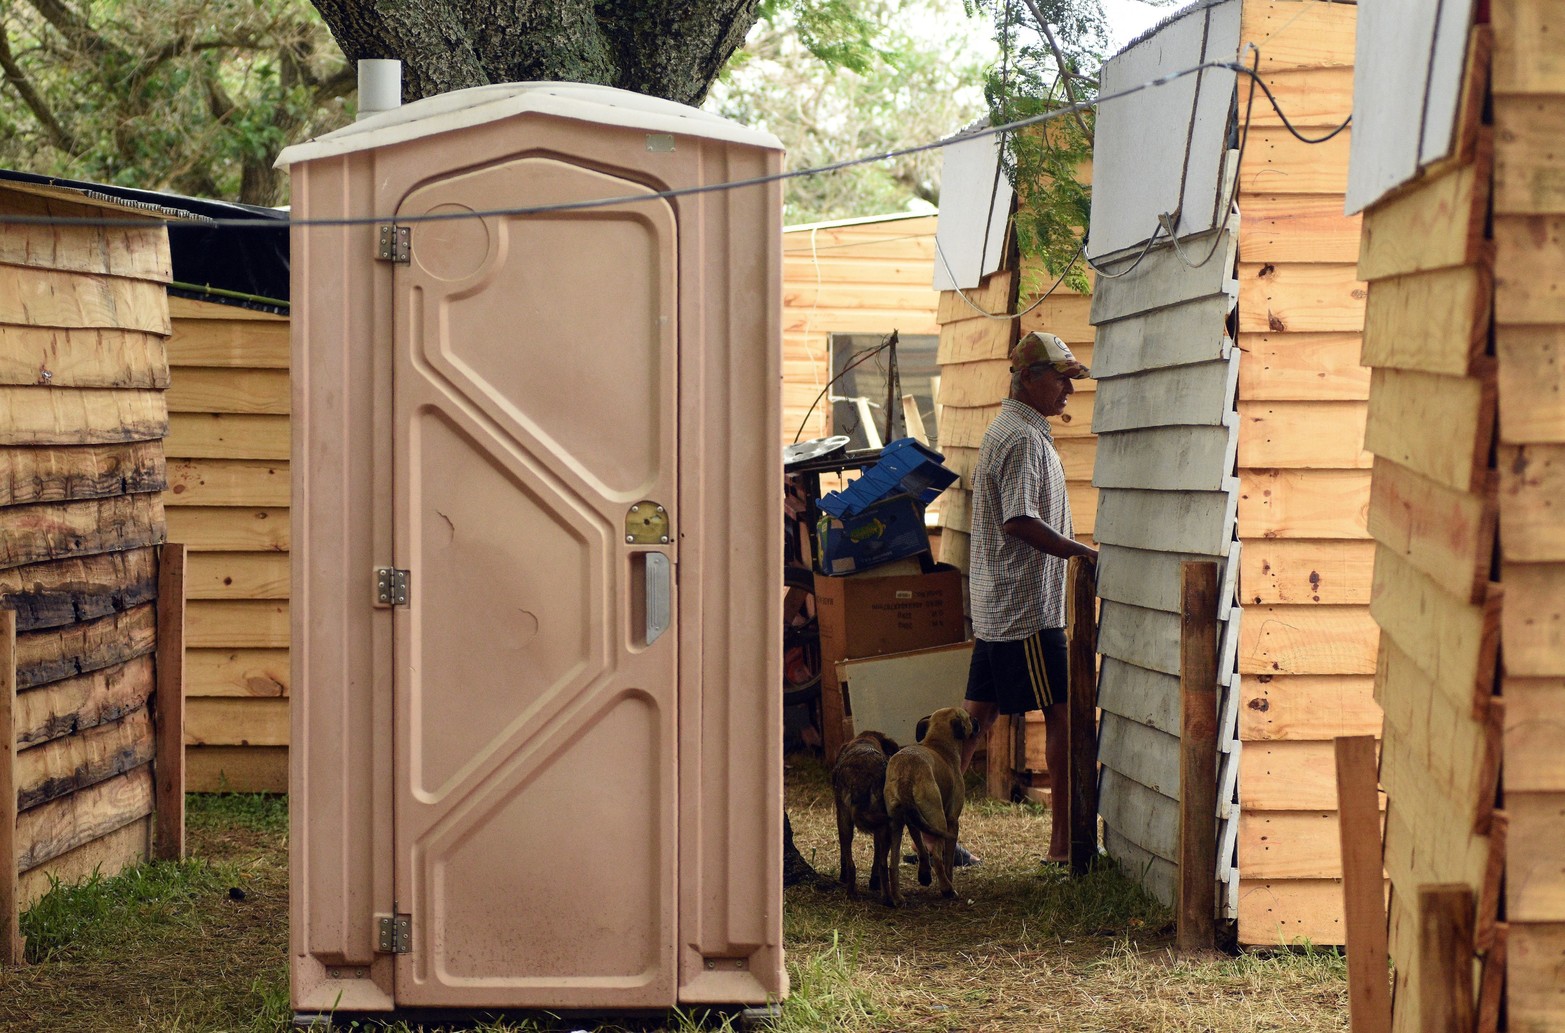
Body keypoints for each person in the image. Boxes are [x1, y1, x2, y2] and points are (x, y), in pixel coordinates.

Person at [961, 330, 1097, 866]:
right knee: (1064, 716)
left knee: (972, 725)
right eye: (1061, 377)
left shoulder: (1013, 430)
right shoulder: (1021, 440)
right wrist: (1078, 552)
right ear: (1030, 379)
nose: (1069, 388)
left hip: (1000, 607)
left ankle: (929, 835)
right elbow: (1019, 521)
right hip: (1026, 612)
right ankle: (1062, 846)